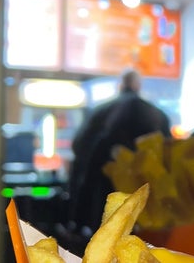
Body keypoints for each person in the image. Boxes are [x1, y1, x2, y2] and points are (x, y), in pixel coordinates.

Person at [61, 69, 172, 256]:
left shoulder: (100, 112)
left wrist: (77, 217)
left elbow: (80, 149)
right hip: (148, 199)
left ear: (120, 85)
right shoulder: (157, 114)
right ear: (138, 85)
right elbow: (168, 154)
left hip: (103, 194)